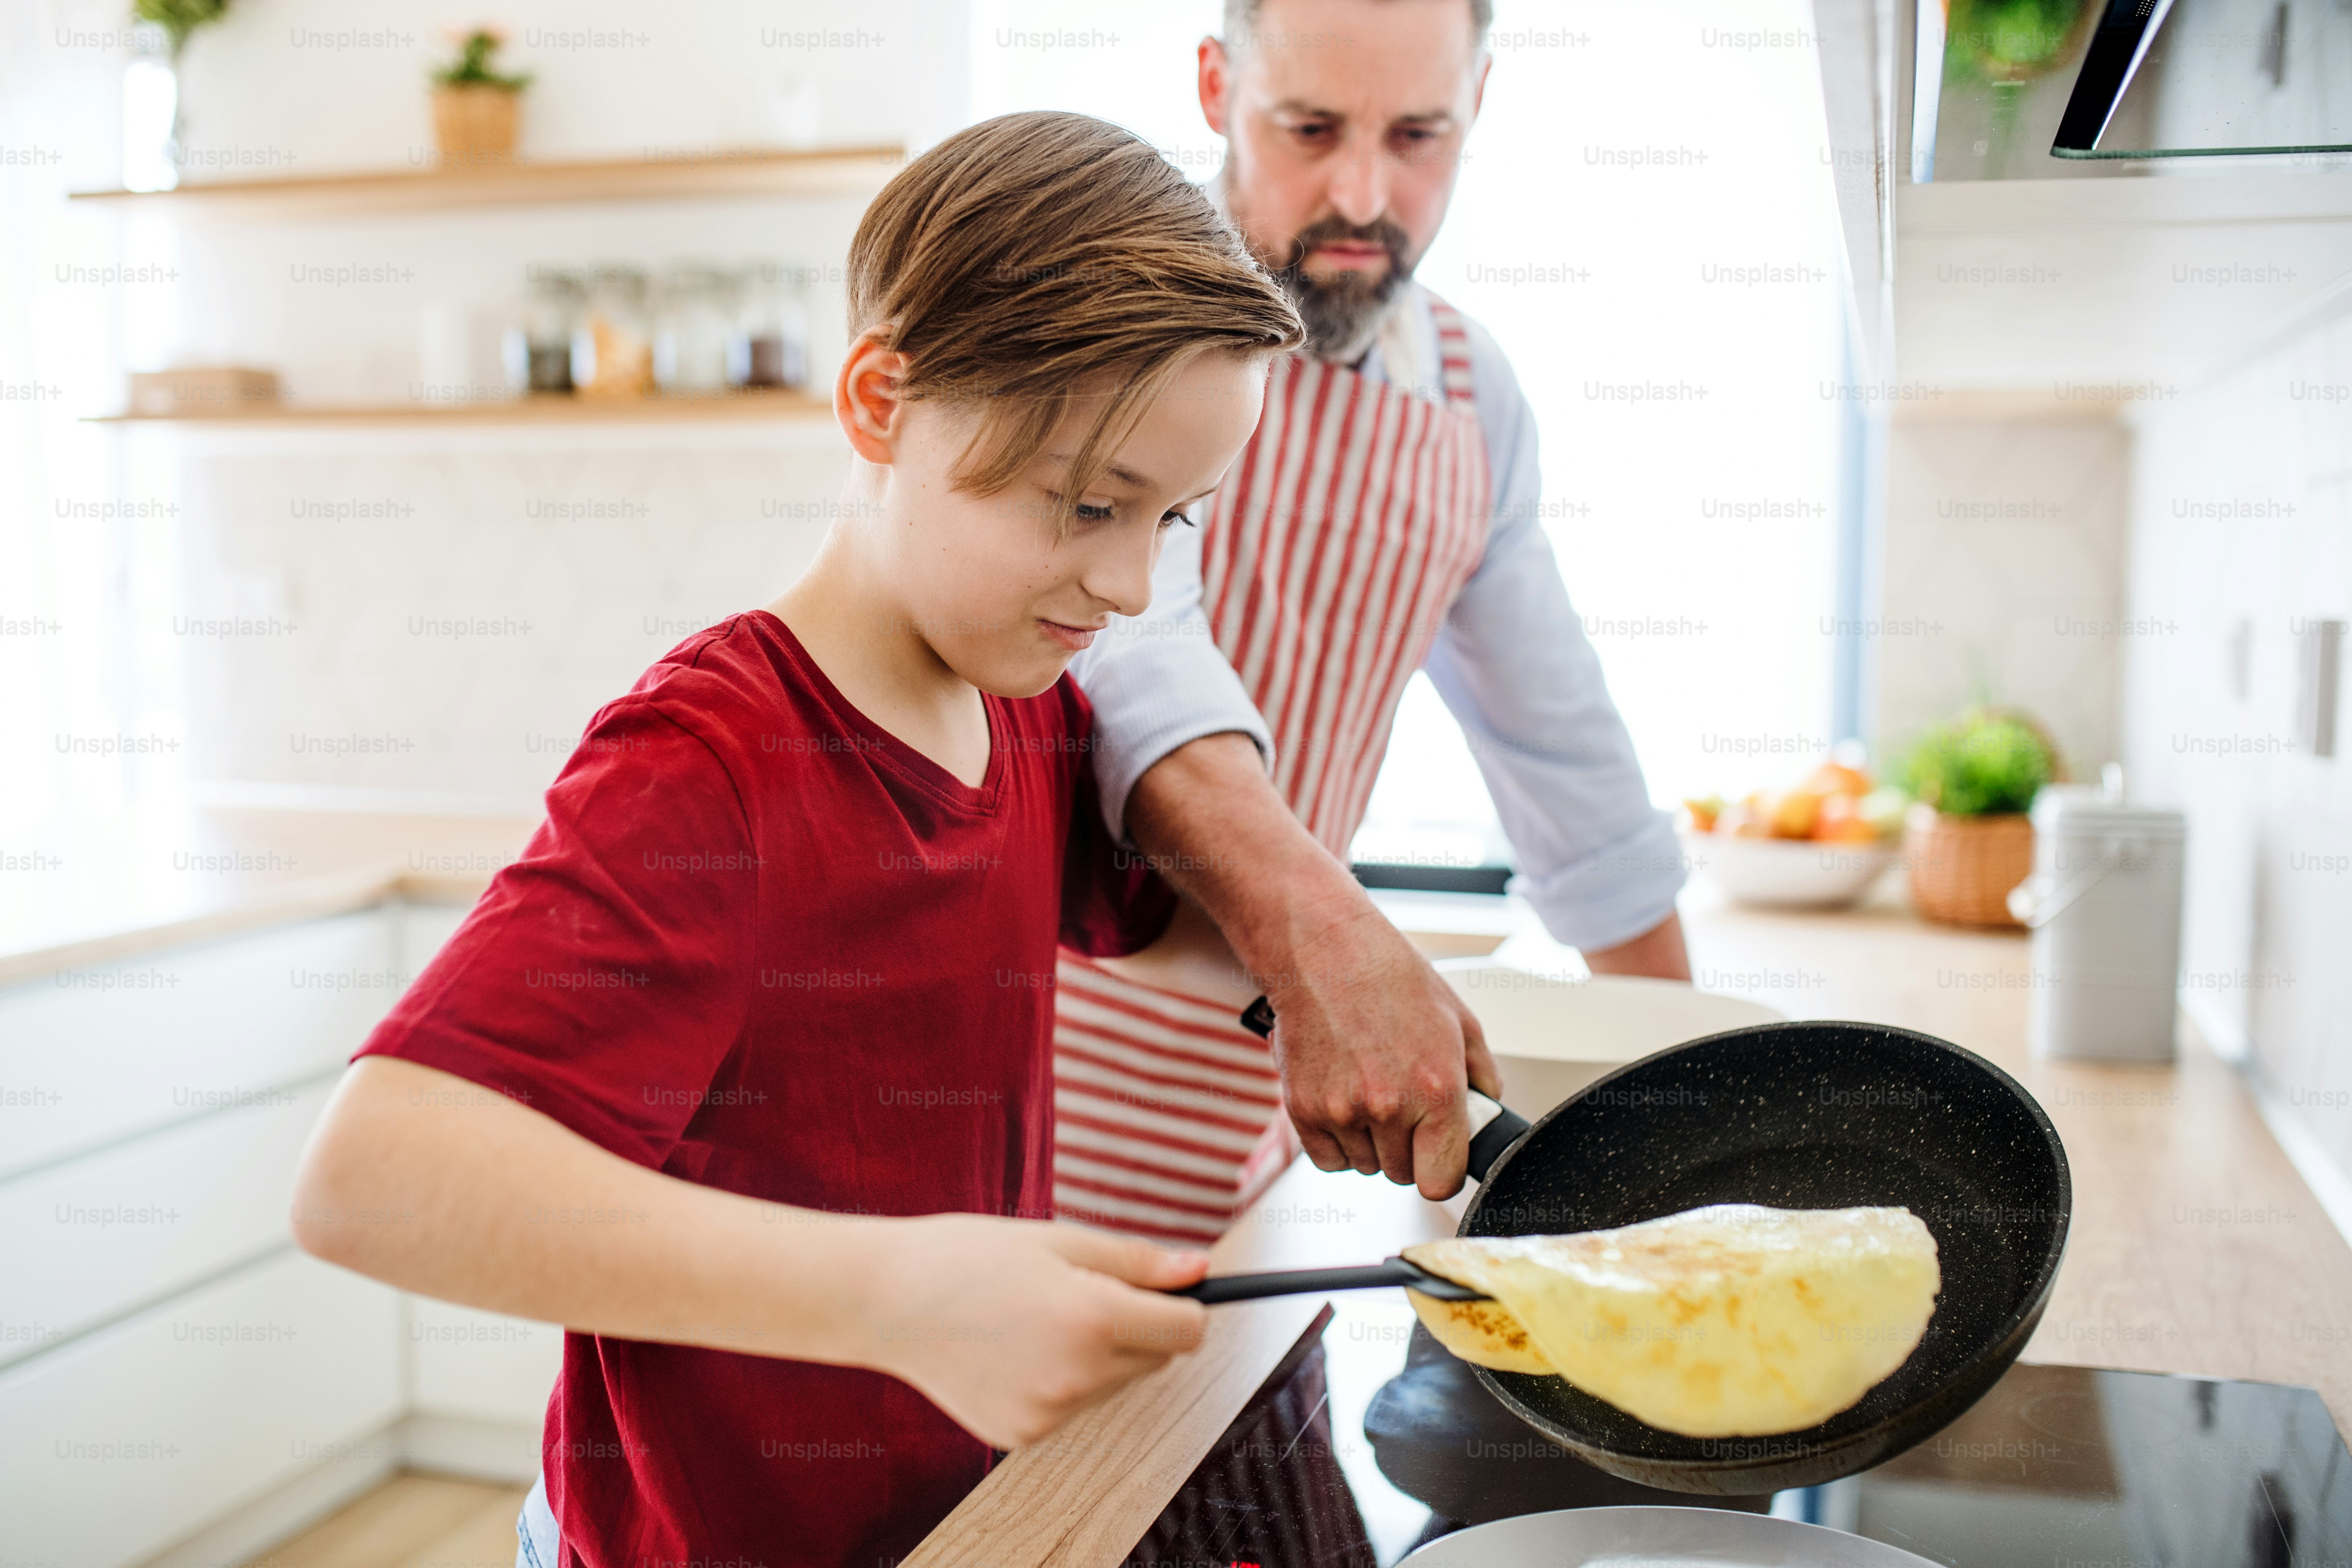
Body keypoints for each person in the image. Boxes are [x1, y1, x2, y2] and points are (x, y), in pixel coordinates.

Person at [286, 112, 1304, 1567]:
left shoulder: (1022, 706)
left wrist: (1349, 975)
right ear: (882, 403)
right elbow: (372, 1179)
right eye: (1089, 505)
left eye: (1177, 519)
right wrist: (894, 1297)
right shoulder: (713, 767)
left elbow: (1181, 936)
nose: (1136, 583)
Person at [1053, 0, 1692, 1243]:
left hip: (1251, 1107)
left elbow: (1573, 770)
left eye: (1417, 135)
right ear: (1212, 88)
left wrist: (1701, 1107)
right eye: (1309, 128)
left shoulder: (1470, 399)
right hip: (1015, 1076)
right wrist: (1327, 935)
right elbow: (1128, 650)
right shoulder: (1109, 312)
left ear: (1480, 105)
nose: (1362, 194)